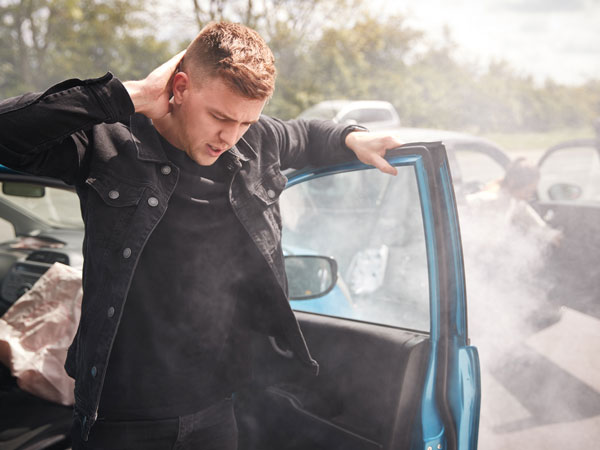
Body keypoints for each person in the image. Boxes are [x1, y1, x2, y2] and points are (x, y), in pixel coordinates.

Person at [0, 22, 403, 449]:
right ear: (179, 87)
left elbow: (305, 135)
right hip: (120, 416)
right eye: (220, 117)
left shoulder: (256, 141)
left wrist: (352, 136)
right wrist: (130, 95)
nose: (230, 138)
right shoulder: (110, 143)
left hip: (216, 409)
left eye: (246, 122)